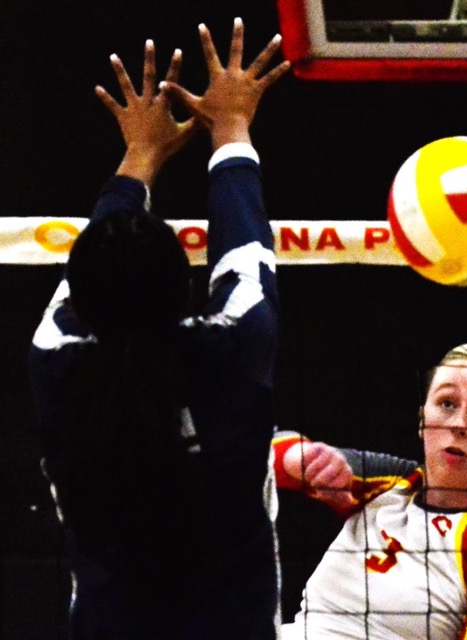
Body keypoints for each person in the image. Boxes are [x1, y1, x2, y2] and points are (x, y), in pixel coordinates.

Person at [29, 19, 289, 639]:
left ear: (84, 311)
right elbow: (244, 252)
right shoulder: (231, 352)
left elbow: (93, 263)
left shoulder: (57, 361)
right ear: (186, 292)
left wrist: (139, 156)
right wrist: (230, 127)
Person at [274, 322, 467, 640]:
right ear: (423, 420)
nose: (459, 424)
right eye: (447, 403)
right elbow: (262, 457)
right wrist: (299, 457)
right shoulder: (390, 481)